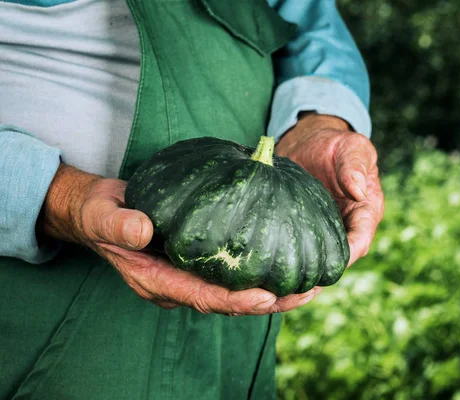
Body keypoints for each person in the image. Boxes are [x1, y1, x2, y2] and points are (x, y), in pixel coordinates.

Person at [0, 0, 384, 398]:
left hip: (234, 323)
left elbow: (307, 20)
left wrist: (317, 121)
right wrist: (54, 194)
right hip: (47, 294)